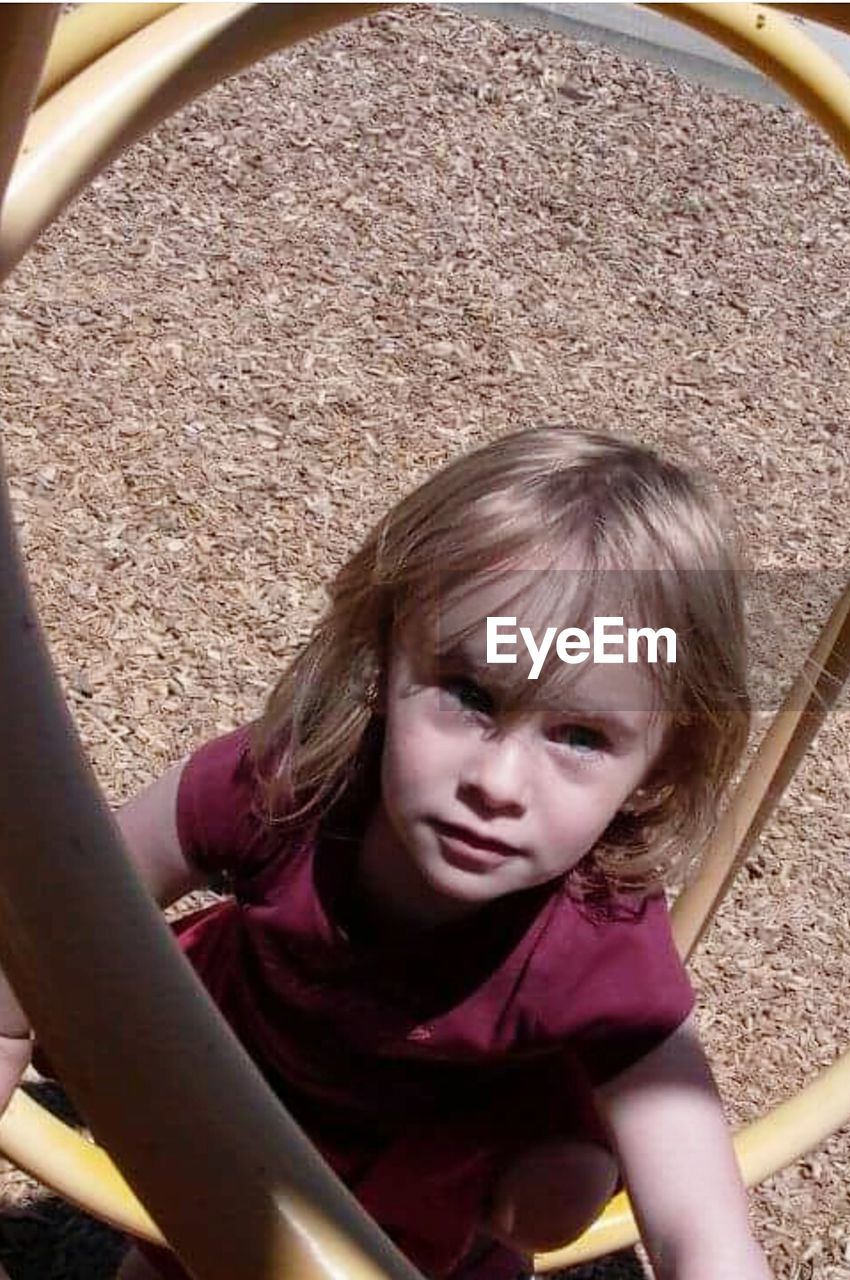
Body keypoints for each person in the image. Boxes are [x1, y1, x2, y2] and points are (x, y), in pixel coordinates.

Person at [0, 428, 770, 1280]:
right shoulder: (290, 782)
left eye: (581, 736)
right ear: (383, 656)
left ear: (660, 763)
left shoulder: (599, 934)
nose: (498, 782)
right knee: (182, 1233)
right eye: (470, 695)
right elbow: (66, 904)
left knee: (467, 1226)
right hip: (236, 1079)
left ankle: (544, 1155)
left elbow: (700, 1221)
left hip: (423, 1171)